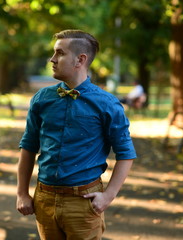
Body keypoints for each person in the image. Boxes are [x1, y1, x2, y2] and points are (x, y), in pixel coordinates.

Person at [16, 29, 137, 240]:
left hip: (83, 202)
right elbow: (28, 147)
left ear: (80, 59)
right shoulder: (42, 99)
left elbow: (126, 153)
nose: (52, 59)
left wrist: (108, 195)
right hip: (44, 199)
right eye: (54, 53)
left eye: (60, 53)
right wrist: (22, 193)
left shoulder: (107, 104)